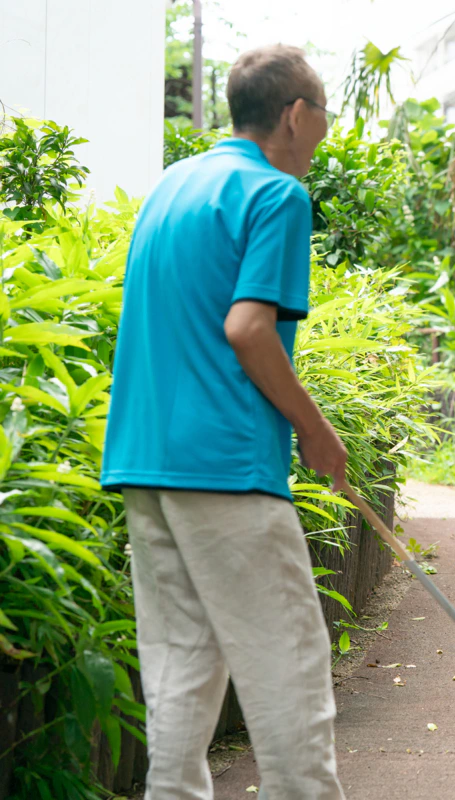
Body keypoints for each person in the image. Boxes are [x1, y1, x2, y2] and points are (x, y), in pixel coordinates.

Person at [100, 45, 347, 799]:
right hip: (226, 468)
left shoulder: (171, 188)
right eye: (323, 117)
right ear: (295, 115)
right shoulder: (276, 194)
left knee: (181, 665)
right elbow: (247, 329)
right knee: (289, 667)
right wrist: (315, 427)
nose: (323, 134)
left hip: (144, 463)